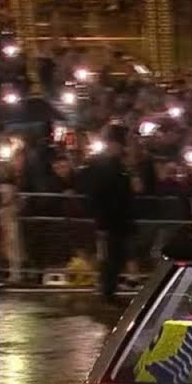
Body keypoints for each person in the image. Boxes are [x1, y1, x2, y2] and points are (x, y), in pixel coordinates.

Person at [87, 124, 134, 305]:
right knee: (110, 259)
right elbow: (99, 195)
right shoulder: (105, 166)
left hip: (118, 220)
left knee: (116, 257)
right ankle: (107, 292)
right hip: (111, 220)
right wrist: (102, 222)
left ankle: (110, 290)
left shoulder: (117, 165)